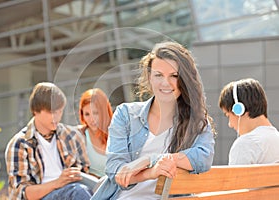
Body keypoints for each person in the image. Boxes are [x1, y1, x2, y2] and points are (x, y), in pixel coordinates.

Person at [92, 41, 216, 199]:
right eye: (158, 75)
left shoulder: (195, 121)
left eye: (174, 76)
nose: (165, 83)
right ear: (149, 77)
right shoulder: (126, 115)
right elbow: (116, 170)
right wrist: (151, 172)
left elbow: (203, 158)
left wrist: (151, 159)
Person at [5, 82, 92, 200]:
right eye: (51, 112)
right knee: (78, 191)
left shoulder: (72, 136)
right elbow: (22, 193)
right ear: (36, 111)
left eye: (59, 111)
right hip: (45, 196)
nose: (56, 117)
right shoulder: (19, 144)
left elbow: (85, 175)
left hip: (75, 191)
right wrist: (57, 183)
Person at [218, 78, 279, 165]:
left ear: (239, 109)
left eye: (228, 116)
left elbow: (235, 179)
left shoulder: (245, 145)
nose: (230, 124)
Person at [78, 88, 113, 178]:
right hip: (96, 188)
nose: (91, 119)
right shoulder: (80, 135)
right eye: (87, 114)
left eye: (95, 113)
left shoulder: (118, 132)